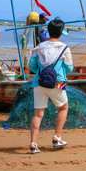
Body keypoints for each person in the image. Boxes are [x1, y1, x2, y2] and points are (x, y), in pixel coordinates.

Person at [28, 18, 73, 154]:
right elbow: (70, 68)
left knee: (38, 114)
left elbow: (31, 66)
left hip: (39, 83)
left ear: (48, 31)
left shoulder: (39, 48)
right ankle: (57, 137)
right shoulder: (64, 48)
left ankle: (33, 143)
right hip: (58, 84)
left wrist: (43, 71)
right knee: (63, 108)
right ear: (61, 33)